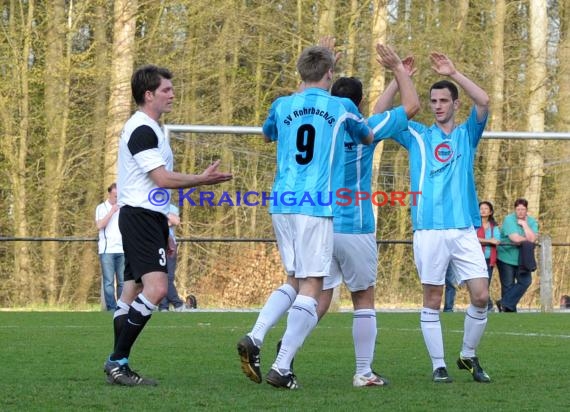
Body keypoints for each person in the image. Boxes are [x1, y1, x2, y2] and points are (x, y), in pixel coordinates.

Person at [237, 40, 374, 390]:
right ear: (331, 74)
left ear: (300, 74)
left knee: (295, 278)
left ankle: (257, 336)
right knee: (313, 285)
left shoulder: (282, 105)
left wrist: (314, 75)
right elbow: (367, 136)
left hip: (281, 201)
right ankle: (281, 366)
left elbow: (268, 135)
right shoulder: (342, 105)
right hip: (315, 204)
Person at [103, 64, 232, 386]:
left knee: (130, 291)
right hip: (140, 218)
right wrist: (202, 180)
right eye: (166, 90)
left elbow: (153, 187)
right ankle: (117, 363)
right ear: (149, 95)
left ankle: (120, 362)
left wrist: (165, 228)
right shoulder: (143, 129)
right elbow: (161, 178)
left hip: (148, 218)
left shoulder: (151, 128)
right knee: (157, 289)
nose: (172, 94)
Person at [376, 52, 492, 383]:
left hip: (463, 229)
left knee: (481, 296)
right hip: (428, 230)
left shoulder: (468, 134)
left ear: (455, 104)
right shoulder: (416, 135)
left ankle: (467, 356)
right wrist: (397, 77)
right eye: (433, 101)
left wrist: (454, 72)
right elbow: (378, 114)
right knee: (433, 298)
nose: (438, 105)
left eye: (444, 100)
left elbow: (483, 100)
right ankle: (438, 365)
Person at [315, 48, 419, 388]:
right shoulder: (367, 128)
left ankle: (284, 356)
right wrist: (400, 74)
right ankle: (363, 372)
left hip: (322, 222)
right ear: (359, 106)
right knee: (363, 298)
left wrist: (393, 78)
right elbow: (409, 108)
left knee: (317, 297)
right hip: (356, 224)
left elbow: (375, 111)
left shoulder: (323, 125)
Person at [496, 198, 538, 312]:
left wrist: (524, 225)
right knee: (508, 285)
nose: (520, 212)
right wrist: (527, 239)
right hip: (506, 257)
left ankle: (504, 303)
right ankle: (509, 310)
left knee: (525, 281)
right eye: (518, 209)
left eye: (523, 209)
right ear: (515, 210)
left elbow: (533, 239)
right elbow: (515, 239)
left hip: (524, 259)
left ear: (526, 210)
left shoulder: (532, 222)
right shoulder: (509, 219)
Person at [95, 182, 124, 311]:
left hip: (123, 250)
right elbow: (99, 225)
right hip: (107, 250)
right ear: (110, 193)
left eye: (119, 196)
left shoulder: (124, 208)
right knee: (108, 282)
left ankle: (122, 306)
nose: (117, 198)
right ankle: (111, 308)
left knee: (123, 281)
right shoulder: (101, 208)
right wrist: (112, 212)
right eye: (115, 195)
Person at [158, 204, 192, 312]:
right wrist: (166, 219)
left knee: (169, 277)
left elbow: (176, 221)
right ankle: (175, 304)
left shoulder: (172, 208)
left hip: (170, 245)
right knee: (161, 277)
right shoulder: (151, 206)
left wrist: (161, 216)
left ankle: (166, 306)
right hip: (157, 245)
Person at [478, 201, 501, 311]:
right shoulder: (474, 225)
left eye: (486, 208)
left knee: (486, 283)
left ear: (490, 211)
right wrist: (488, 240)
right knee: (478, 284)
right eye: (481, 208)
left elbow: (496, 241)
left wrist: (483, 241)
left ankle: (488, 306)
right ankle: (488, 305)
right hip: (476, 258)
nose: (483, 210)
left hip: (489, 259)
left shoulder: (494, 227)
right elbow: (473, 239)